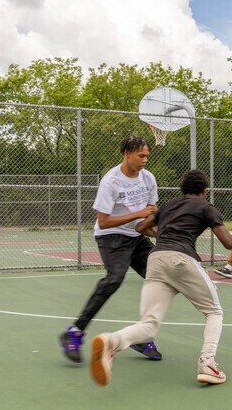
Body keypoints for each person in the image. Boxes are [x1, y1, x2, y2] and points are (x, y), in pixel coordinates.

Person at [89, 169, 232, 386]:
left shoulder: (169, 205)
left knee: (149, 325)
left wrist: (165, 233)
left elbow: (141, 226)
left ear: (183, 189)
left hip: (156, 260)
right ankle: (207, 362)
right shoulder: (206, 207)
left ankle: (111, 340)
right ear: (204, 191)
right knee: (213, 311)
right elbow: (229, 242)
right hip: (181, 259)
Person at [60, 135, 162, 363]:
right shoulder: (111, 181)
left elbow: (150, 213)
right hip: (111, 236)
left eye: (147, 156)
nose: (145, 160)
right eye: (141, 155)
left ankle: (141, 336)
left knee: (159, 278)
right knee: (114, 279)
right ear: (127, 154)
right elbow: (104, 221)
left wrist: (158, 234)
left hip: (137, 235)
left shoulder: (148, 178)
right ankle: (74, 332)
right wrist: (137, 215)